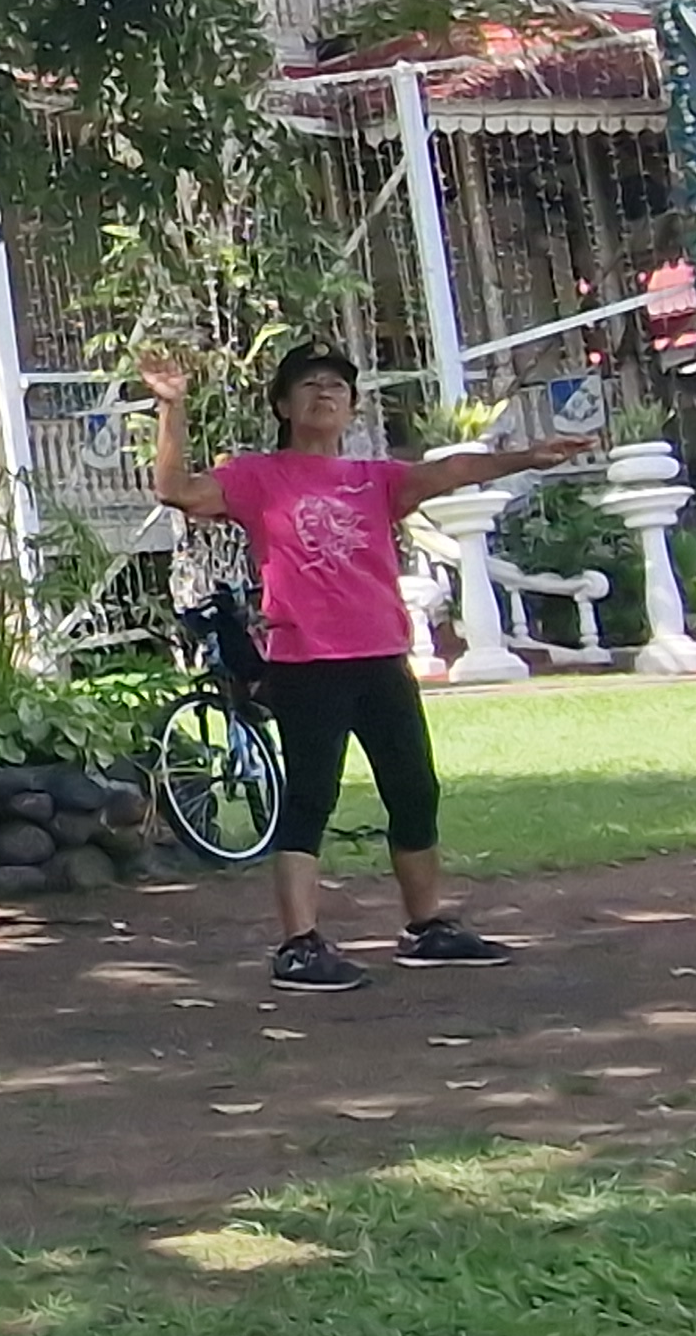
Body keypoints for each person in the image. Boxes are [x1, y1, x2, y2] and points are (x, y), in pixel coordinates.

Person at [143, 346, 587, 989]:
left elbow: (451, 470)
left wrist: (526, 457)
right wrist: (171, 405)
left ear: (353, 407)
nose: (324, 393)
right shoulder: (258, 476)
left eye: (337, 386)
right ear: (283, 406)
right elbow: (175, 490)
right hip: (308, 664)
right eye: (308, 385)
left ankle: (425, 927)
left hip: (381, 660)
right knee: (310, 800)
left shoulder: (375, 479)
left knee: (415, 792)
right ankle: (299, 945)